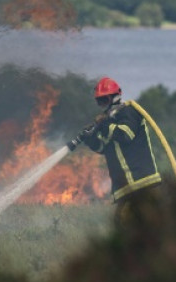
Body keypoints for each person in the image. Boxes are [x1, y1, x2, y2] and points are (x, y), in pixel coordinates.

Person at [67, 77, 162, 225]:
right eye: (100, 102)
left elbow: (125, 135)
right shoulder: (110, 121)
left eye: (104, 100)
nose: (102, 105)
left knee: (147, 225)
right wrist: (90, 139)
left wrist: (104, 124)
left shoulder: (129, 112)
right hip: (125, 187)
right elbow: (104, 148)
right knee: (122, 226)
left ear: (114, 97)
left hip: (142, 183)